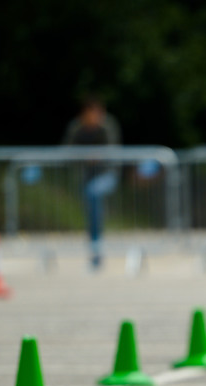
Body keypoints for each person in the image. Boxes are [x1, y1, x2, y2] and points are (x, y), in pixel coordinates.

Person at [62, 95, 121, 270]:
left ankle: (97, 243)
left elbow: (113, 150)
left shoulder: (107, 125)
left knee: (93, 194)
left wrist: (99, 156)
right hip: (85, 177)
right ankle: (95, 246)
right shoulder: (76, 127)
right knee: (91, 207)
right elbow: (67, 150)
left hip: (106, 174)